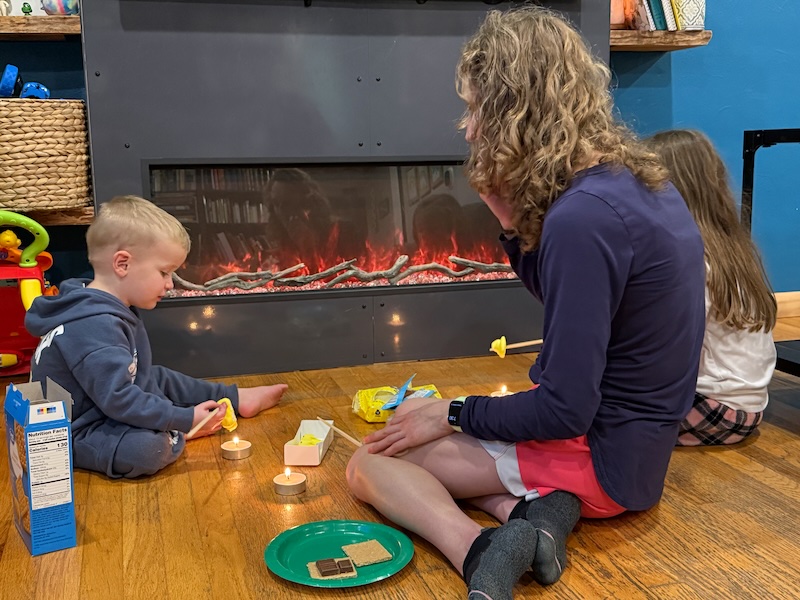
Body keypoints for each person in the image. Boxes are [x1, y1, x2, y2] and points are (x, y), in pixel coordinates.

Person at [346, 7, 705, 600]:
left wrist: (455, 411)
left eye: (473, 108)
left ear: (512, 110)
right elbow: (580, 302)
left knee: (370, 462)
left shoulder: (583, 218)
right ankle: (532, 514)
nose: (466, 128)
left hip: (601, 457)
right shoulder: (636, 186)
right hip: (638, 449)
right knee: (421, 429)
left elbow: (564, 410)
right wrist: (513, 222)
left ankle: (476, 549)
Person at [25, 196, 288, 479]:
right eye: (164, 272)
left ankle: (232, 397)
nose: (170, 283)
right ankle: (177, 434)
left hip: (101, 405)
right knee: (146, 450)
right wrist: (185, 421)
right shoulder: (94, 324)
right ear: (122, 264)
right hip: (73, 433)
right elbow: (119, 399)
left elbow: (134, 382)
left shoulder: (101, 305)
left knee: (157, 377)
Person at [644, 129, 778, 446]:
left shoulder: (691, 259)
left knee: (599, 411)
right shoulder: (732, 249)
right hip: (748, 407)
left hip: (715, 407)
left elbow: (665, 350)